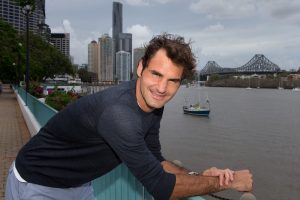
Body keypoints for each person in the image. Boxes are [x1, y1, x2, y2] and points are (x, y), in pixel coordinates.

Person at [5, 33, 253, 200]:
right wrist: (225, 183)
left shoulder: (153, 104)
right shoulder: (118, 113)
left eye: (172, 81)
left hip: (77, 185)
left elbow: (155, 160)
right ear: (140, 68)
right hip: (37, 184)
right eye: (156, 74)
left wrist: (197, 176)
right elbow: (159, 186)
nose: (162, 88)